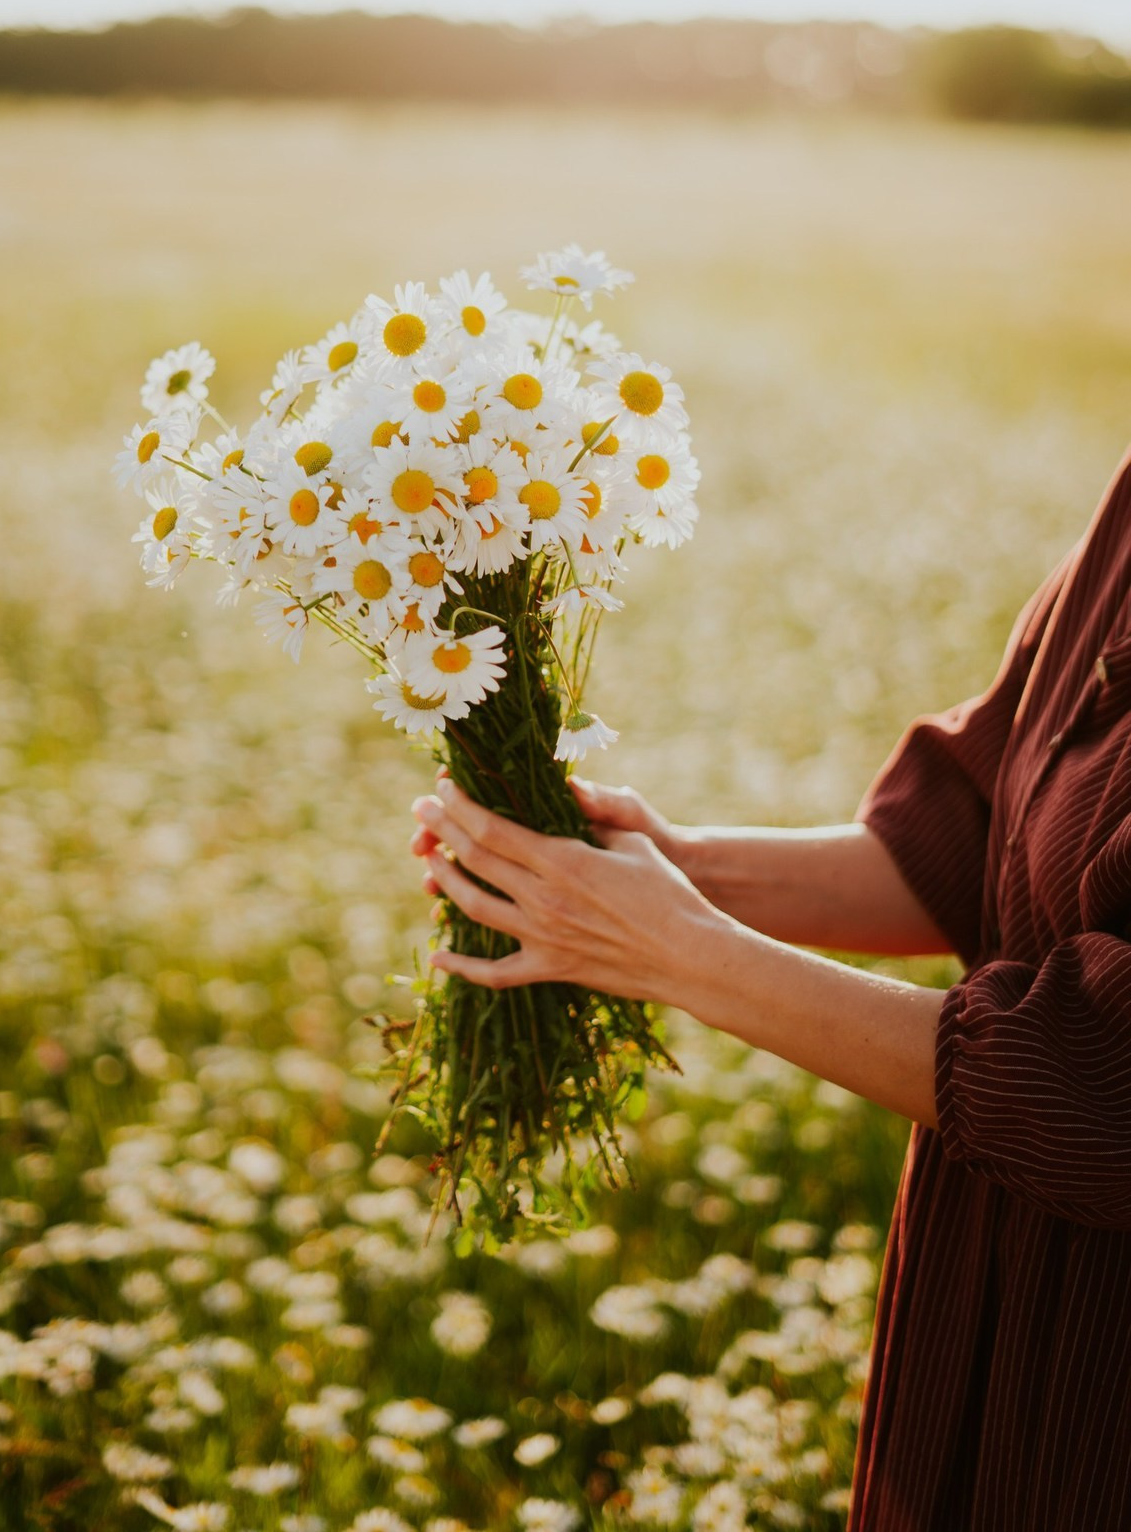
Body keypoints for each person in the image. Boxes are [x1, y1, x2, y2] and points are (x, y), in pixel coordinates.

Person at [411, 443, 1131, 1532]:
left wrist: (678, 952)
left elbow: (1104, 1083)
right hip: (982, 1288)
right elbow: (972, 835)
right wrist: (660, 867)